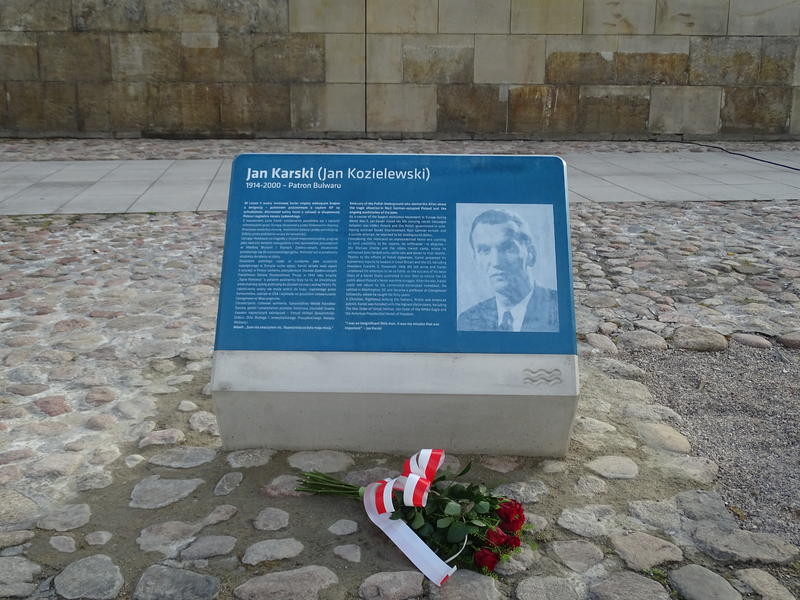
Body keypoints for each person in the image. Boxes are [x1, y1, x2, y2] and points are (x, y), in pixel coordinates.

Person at [457, 208, 558, 332]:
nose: (496, 262)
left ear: (531, 254)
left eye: (507, 248)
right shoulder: (467, 321)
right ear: (476, 260)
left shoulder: (558, 309)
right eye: (484, 250)